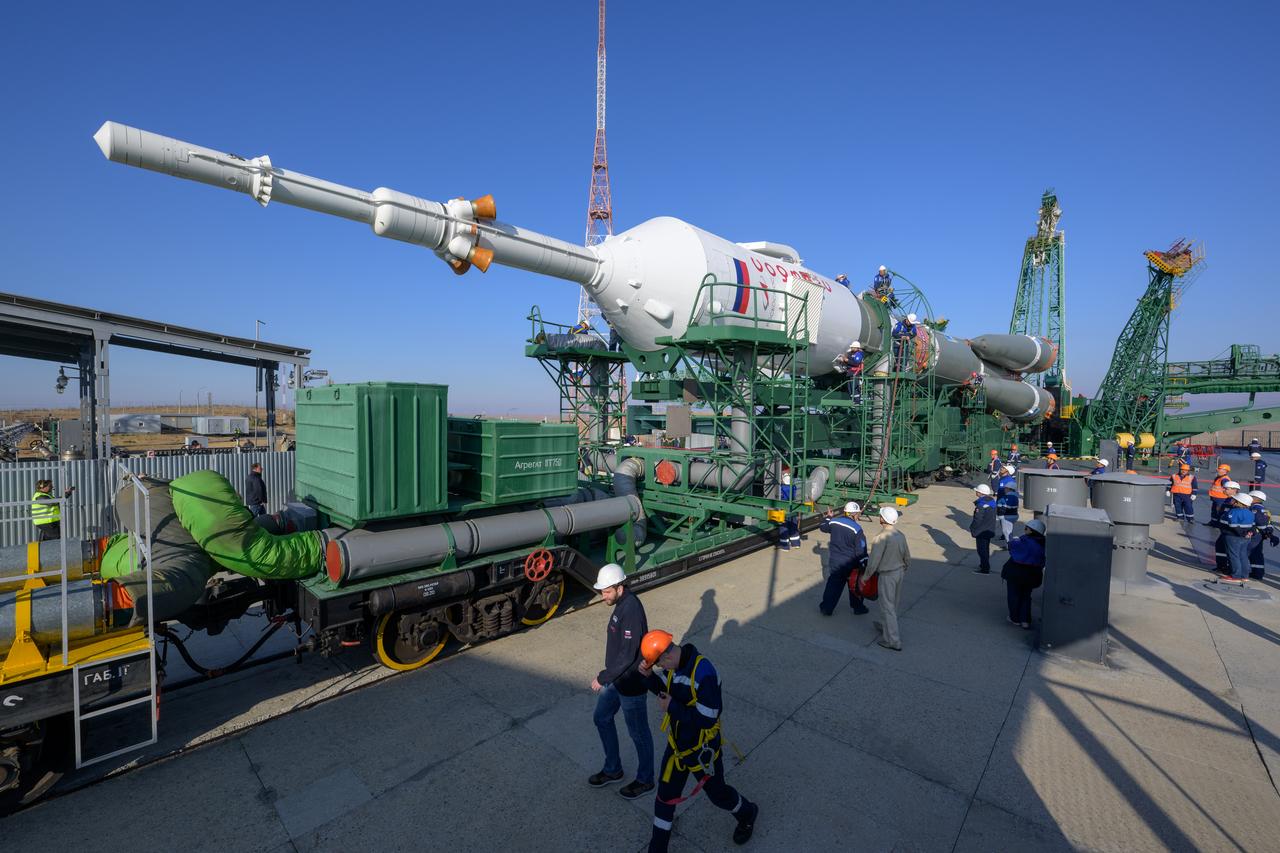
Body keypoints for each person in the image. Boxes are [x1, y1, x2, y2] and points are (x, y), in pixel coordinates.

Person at [637, 630, 759, 852]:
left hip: (703, 751)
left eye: (659, 665)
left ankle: (748, 813)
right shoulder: (674, 668)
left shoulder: (705, 673)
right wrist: (649, 679)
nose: (661, 669)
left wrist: (672, 706)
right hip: (677, 748)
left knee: (718, 794)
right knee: (665, 798)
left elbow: (707, 718)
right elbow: (665, 692)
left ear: (666, 656)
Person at [588, 563, 655, 799]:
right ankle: (613, 769)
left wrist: (602, 677)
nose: (602, 596)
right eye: (601, 591)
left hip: (631, 683)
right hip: (618, 679)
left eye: (606, 591)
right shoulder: (619, 605)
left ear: (619, 587)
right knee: (601, 718)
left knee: (638, 733)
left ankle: (646, 780)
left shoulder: (632, 610)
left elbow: (628, 655)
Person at [865, 507, 910, 650]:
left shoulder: (881, 538)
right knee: (893, 604)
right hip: (899, 572)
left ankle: (893, 641)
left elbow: (873, 562)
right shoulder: (900, 535)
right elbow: (907, 555)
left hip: (887, 575)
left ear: (882, 519)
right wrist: (905, 567)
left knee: (887, 607)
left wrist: (865, 577)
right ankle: (886, 626)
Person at [818, 502, 869, 615]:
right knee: (855, 587)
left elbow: (823, 527)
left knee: (833, 585)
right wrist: (864, 565)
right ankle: (858, 608)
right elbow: (861, 550)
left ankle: (826, 608)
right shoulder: (857, 529)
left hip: (835, 561)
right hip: (851, 564)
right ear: (854, 514)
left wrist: (828, 517)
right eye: (857, 514)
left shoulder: (834, 521)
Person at [1001, 519, 1046, 629]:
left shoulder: (1025, 541)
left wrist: (1014, 540)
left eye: (1026, 528)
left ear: (1032, 531)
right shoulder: (1043, 543)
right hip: (1033, 574)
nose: (1024, 529)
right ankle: (1025, 620)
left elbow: (1012, 547)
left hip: (1017, 573)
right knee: (1026, 596)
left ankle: (1015, 618)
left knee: (1014, 596)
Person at [1221, 493, 1256, 585]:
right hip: (1246, 538)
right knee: (1243, 555)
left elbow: (1233, 525)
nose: (1231, 500)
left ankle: (1235, 576)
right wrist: (1249, 533)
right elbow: (1253, 525)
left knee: (1233, 555)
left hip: (1233, 537)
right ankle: (1244, 576)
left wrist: (1242, 534)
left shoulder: (1234, 512)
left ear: (1238, 502)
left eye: (1233, 499)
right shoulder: (1250, 512)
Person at [1212, 480, 1241, 573]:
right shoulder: (1227, 499)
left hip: (1231, 531)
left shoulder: (1237, 501)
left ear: (1234, 490)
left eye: (1226, 489)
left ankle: (1230, 568)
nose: (1224, 490)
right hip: (1224, 529)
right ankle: (1221, 566)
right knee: (1220, 546)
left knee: (1230, 550)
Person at [969, 484, 999, 574]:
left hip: (982, 531)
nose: (976, 492)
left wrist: (972, 527)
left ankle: (984, 569)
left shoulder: (981, 505)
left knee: (981, 550)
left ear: (980, 493)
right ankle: (984, 565)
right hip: (989, 529)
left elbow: (977, 519)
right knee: (985, 549)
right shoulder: (991, 501)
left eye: (977, 491)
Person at [1247, 491, 1275, 579]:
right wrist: (1268, 532)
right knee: (1257, 553)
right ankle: (1257, 572)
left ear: (1255, 499)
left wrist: (1264, 531)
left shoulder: (1255, 509)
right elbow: (1269, 522)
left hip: (1255, 534)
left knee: (1251, 552)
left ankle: (1256, 573)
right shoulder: (1265, 509)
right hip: (1261, 534)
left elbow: (1260, 522)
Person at [777, 466, 801, 551]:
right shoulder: (793, 486)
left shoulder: (781, 488)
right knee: (793, 524)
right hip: (792, 507)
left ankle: (784, 546)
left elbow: (779, 497)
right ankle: (796, 543)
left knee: (784, 526)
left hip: (784, 508)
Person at [995, 465, 1019, 544]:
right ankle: (1004, 535)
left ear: (1008, 472)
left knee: (1006, 522)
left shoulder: (1010, 481)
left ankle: (1009, 540)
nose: (1001, 468)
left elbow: (1011, 495)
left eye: (1004, 468)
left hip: (1005, 504)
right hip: (1001, 502)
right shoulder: (1003, 478)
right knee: (1003, 522)